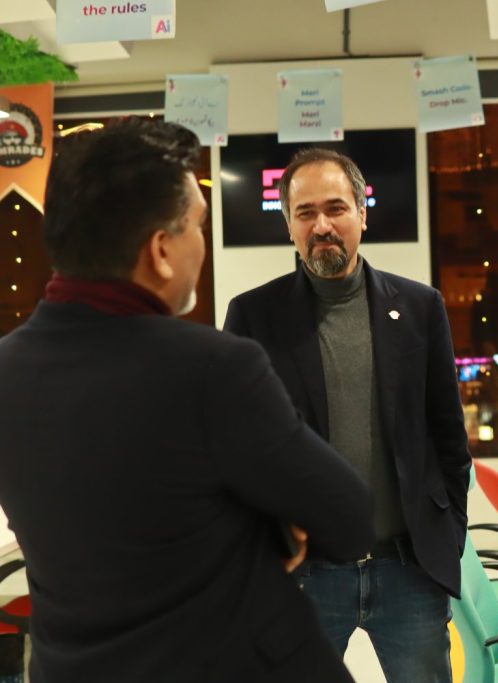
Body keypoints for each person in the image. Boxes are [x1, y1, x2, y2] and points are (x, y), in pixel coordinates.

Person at [0, 118, 374, 683]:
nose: (202, 243)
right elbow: (348, 518)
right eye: (198, 226)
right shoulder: (211, 368)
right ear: (161, 251)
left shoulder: (7, 372)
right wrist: (269, 528)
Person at [224, 148, 471, 683]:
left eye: (335, 208)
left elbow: (449, 438)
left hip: (409, 571)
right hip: (305, 579)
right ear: (289, 226)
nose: (322, 226)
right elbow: (234, 453)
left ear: (362, 213)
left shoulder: (420, 307)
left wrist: (447, 537)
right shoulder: (253, 316)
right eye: (305, 212)